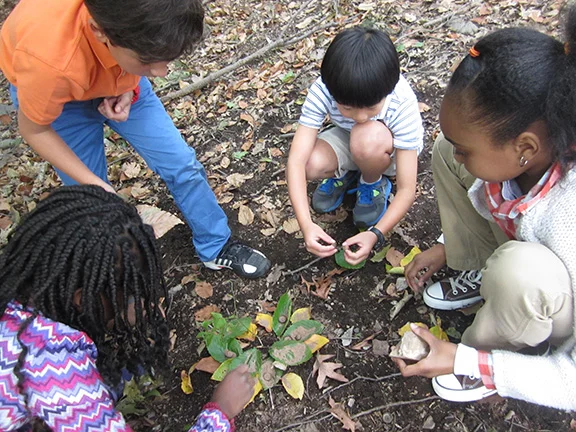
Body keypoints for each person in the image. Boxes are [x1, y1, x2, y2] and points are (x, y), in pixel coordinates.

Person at [0, 0, 270, 279]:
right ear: (100, 32)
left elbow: (145, 54)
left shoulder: (140, 29)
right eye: (149, 61)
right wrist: (96, 185)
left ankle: (216, 245)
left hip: (121, 61)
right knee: (94, 203)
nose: (163, 72)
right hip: (62, 103)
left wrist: (128, 86)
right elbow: (35, 130)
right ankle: (117, 275)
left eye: (167, 59)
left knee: (180, 163)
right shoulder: (48, 63)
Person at [395, 8, 576, 410]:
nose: (460, 156)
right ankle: (483, 273)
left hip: (561, 311)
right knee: (444, 154)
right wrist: (450, 245)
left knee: (522, 273)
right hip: (531, 255)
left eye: (468, 148)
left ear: (525, 148)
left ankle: (492, 352)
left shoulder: (569, 217)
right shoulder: (526, 156)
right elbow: (506, 204)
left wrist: (461, 358)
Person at [0, 185, 256, 431]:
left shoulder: (16, 291)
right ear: (82, 299)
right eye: (126, 294)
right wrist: (220, 411)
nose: (135, 300)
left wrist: (117, 310)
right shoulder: (58, 377)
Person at [286, 26, 424, 265]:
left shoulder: (401, 101)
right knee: (310, 161)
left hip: (384, 150)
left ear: (388, 89)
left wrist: (376, 234)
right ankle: (349, 173)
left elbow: (406, 188)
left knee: (365, 135)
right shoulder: (324, 90)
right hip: (349, 139)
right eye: (347, 107)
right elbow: (296, 160)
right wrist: (306, 224)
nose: (360, 116)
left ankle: (372, 181)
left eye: (371, 107)